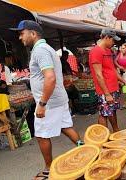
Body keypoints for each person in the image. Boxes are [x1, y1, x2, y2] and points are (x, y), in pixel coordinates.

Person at [10, 20, 83, 180]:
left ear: (33, 33)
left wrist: (42, 104)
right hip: (58, 99)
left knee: (42, 134)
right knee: (65, 126)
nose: (20, 38)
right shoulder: (47, 48)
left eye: (22, 33)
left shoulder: (40, 50)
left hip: (49, 102)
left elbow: (50, 78)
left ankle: (49, 168)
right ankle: (85, 151)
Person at [89, 29, 126, 132]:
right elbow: (98, 74)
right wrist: (106, 93)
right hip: (104, 90)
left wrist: (124, 81)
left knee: (112, 111)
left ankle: (116, 131)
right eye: (113, 40)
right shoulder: (96, 51)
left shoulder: (108, 51)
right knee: (104, 113)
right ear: (106, 38)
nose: (114, 42)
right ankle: (102, 138)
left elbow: (112, 69)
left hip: (113, 87)